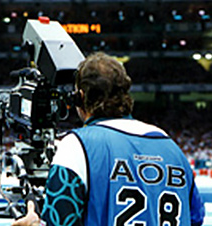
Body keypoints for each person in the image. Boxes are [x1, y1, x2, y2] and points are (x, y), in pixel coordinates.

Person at [12, 52, 205, 226]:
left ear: (80, 97)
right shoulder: (171, 147)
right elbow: (196, 218)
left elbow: (60, 221)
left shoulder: (76, 146)